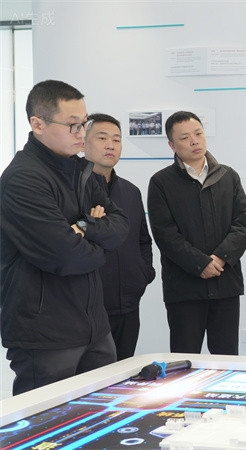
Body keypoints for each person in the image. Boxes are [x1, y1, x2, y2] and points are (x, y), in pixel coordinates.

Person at [0, 80, 129, 395]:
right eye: (73, 125)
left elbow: (120, 227)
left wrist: (82, 227)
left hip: (94, 328)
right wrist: (98, 243)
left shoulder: (80, 171)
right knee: (46, 422)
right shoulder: (23, 179)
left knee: (102, 416)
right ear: (38, 124)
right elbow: (66, 255)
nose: (81, 133)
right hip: (45, 334)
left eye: (84, 124)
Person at [148, 111, 246, 355]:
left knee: (227, 358)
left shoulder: (228, 176)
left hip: (225, 283)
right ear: (172, 145)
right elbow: (165, 234)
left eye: (198, 134)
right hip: (184, 288)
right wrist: (200, 263)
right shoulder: (161, 182)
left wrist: (220, 258)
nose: (194, 141)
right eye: (185, 138)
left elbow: (242, 224)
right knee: (185, 358)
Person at [84, 113, 156, 360]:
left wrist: (144, 273)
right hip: (88, 307)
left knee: (124, 373)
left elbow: (143, 240)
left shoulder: (130, 191)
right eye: (102, 138)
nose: (110, 145)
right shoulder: (71, 189)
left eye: (116, 139)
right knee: (91, 377)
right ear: (83, 142)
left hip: (128, 303)